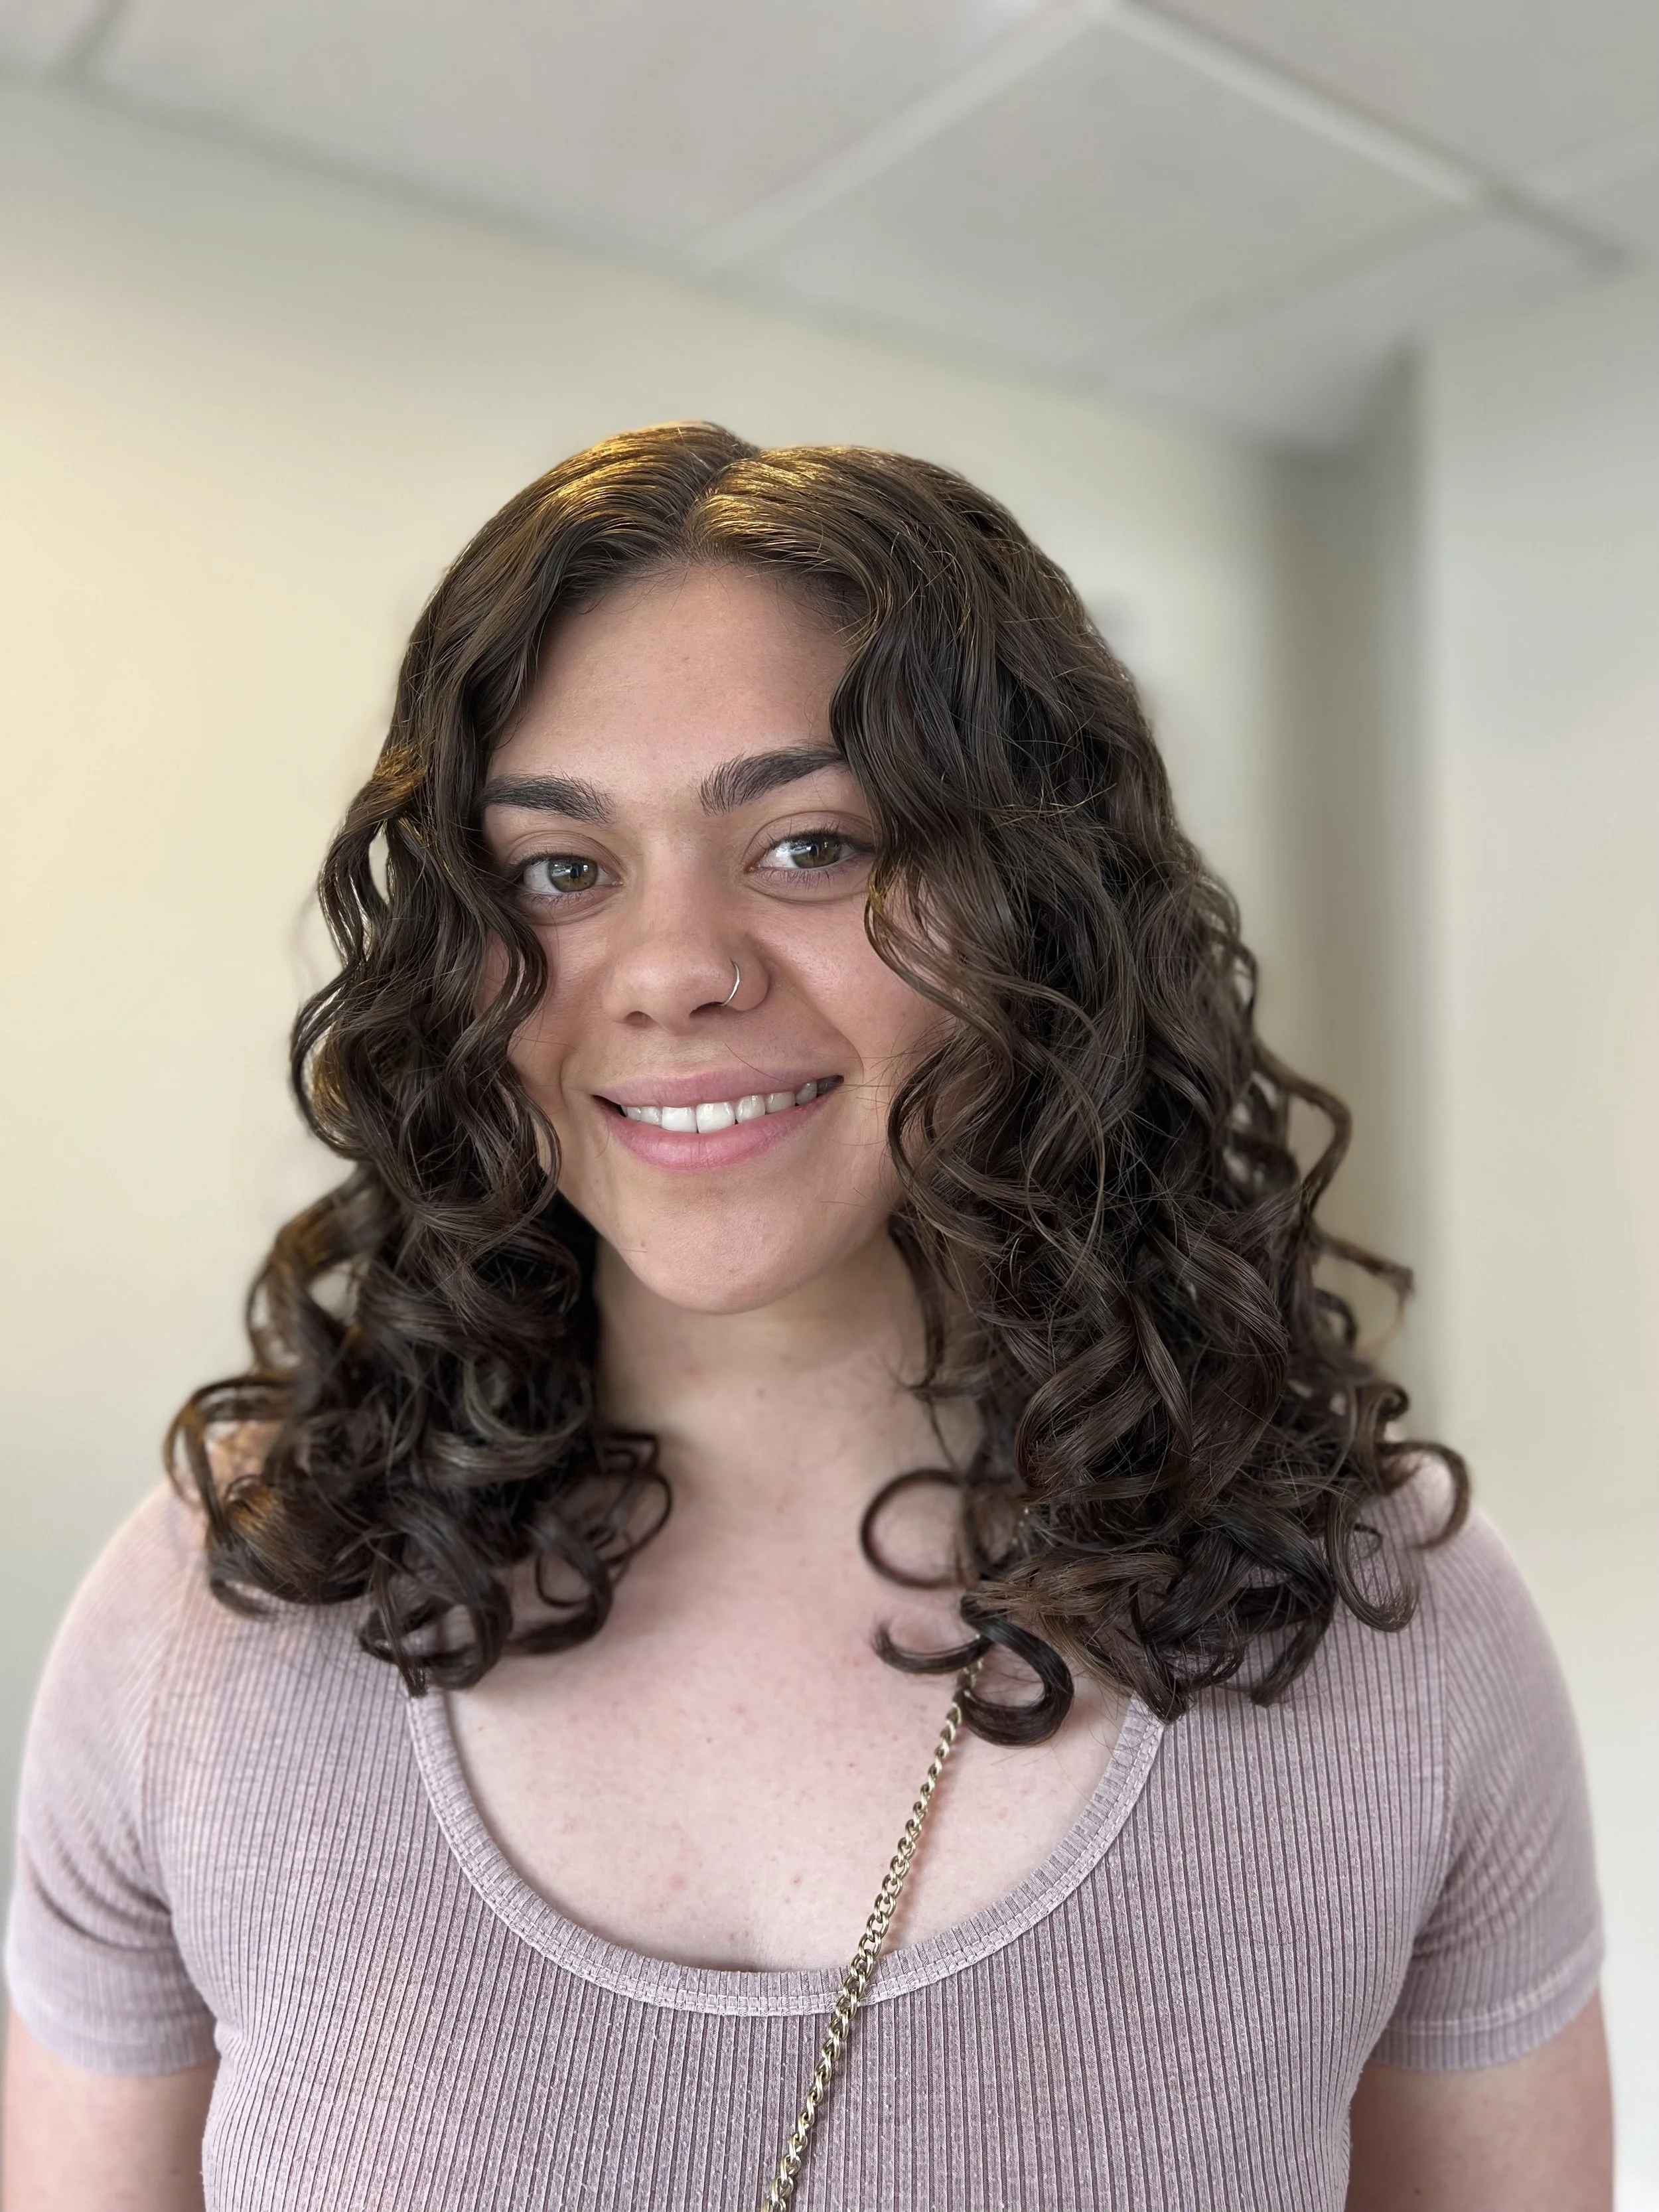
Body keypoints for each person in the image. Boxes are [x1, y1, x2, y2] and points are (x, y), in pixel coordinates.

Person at [1, 424, 1611, 2211]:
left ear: (1037, 918)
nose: (677, 964)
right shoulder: (206, 1614)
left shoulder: (1394, 1627)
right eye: (557, 867)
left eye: (809, 844)